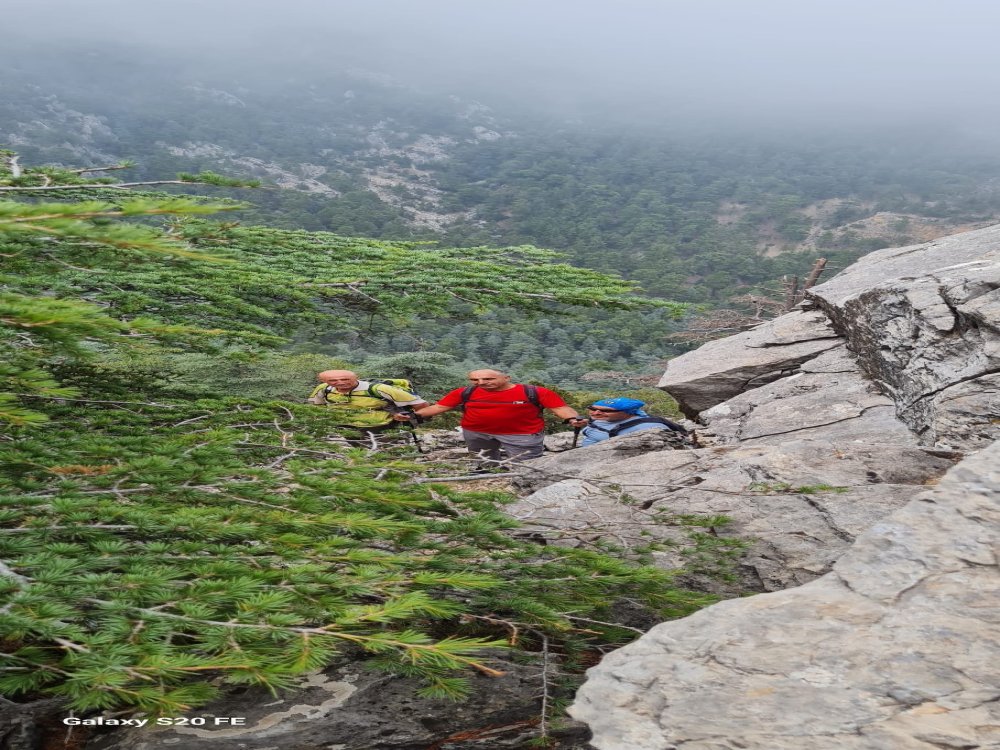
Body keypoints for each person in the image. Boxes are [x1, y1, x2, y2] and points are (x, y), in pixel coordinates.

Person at [412, 369, 582, 467]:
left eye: (488, 378)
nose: (481, 382)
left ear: (506, 378)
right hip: (476, 433)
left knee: (527, 466)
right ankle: (487, 477)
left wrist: (573, 419)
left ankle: (525, 483)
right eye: (475, 379)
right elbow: (440, 407)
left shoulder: (534, 392)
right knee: (483, 460)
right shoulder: (465, 392)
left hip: (522, 435)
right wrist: (413, 416)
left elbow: (560, 408)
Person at [307, 370, 428, 431]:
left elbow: (421, 404)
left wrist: (412, 416)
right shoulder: (324, 389)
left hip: (381, 427)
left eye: (345, 379)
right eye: (333, 381)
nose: (340, 383)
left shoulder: (380, 389)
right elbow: (316, 407)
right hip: (341, 427)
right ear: (324, 381)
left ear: (356, 378)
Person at [577, 397, 687, 447]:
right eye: (592, 409)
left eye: (606, 411)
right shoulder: (603, 419)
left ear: (628, 412)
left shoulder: (651, 428)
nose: (595, 413)